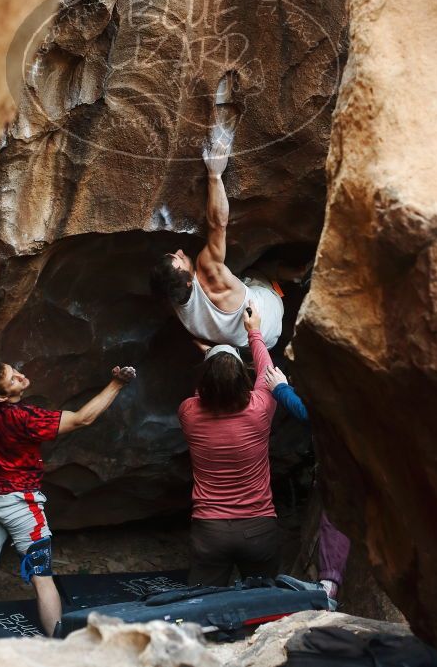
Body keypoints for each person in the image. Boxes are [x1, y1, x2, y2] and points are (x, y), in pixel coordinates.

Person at [0, 359, 136, 635]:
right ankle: (56, 651)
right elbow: (83, 418)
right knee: (42, 579)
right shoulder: (25, 420)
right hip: (20, 506)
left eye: (14, 370)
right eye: (13, 380)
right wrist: (117, 384)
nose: (21, 377)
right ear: (1, 396)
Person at [179, 300, 280, 586]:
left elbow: (204, 392)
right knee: (264, 605)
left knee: (202, 607)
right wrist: (254, 332)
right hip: (259, 528)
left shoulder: (189, 411)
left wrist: (212, 358)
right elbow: (266, 373)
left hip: (210, 530)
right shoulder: (261, 408)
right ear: (243, 380)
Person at [150, 136, 284, 350]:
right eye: (180, 259)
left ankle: (290, 275)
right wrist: (214, 174)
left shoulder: (174, 301)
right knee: (257, 271)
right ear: (186, 282)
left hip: (260, 345)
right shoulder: (207, 269)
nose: (181, 251)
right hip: (271, 314)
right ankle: (293, 274)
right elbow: (218, 224)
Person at [265, 364, 350, 600]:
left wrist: (281, 389)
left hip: (354, 467)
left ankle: (329, 584)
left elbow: (313, 416)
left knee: (335, 514)